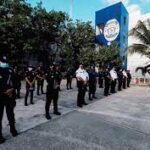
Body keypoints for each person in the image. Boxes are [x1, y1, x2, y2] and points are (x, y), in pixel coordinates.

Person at [0, 56, 18, 144]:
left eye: (6, 62)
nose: (5, 63)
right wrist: (4, 91)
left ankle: (13, 129)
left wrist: (12, 89)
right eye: (3, 62)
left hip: (9, 96)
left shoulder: (11, 70)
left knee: (10, 114)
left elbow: (16, 82)